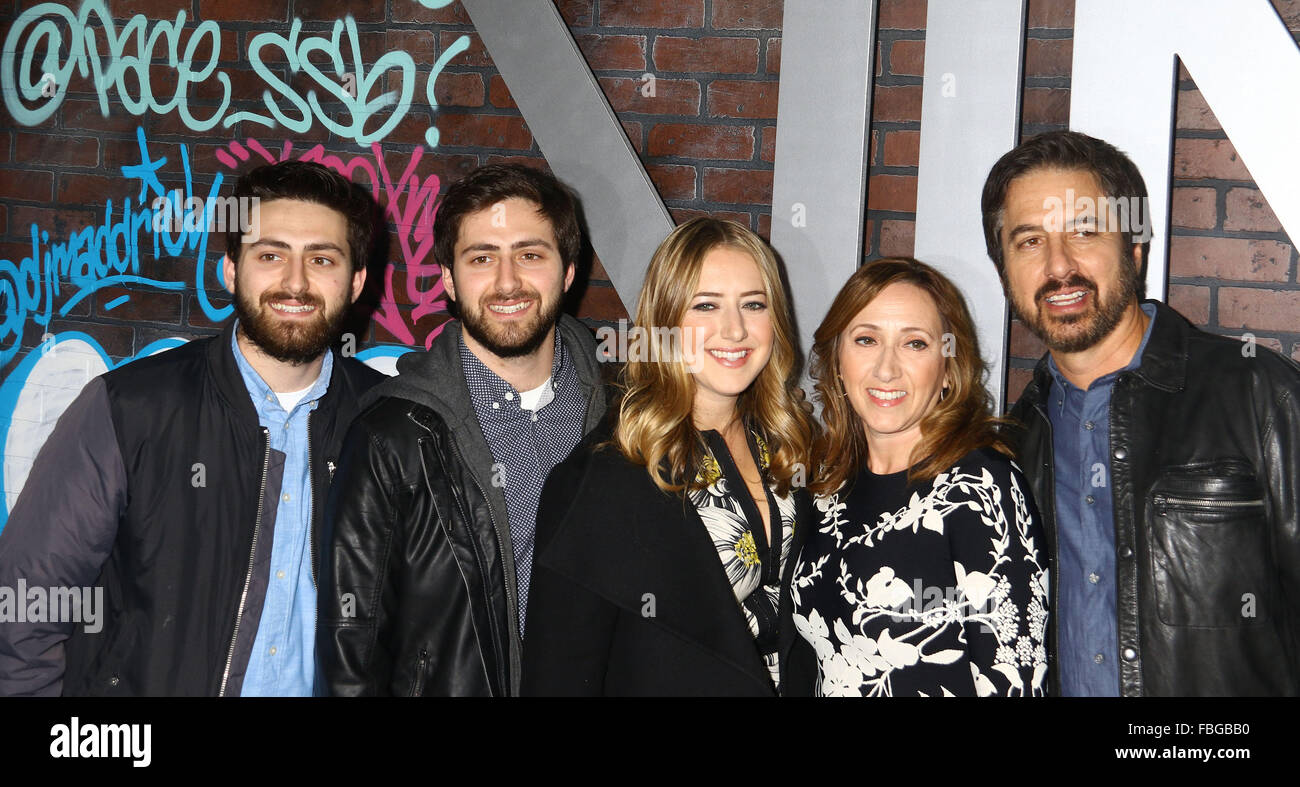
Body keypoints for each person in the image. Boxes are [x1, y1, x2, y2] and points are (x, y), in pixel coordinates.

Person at [0, 160, 384, 696]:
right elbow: (25, 606)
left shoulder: (387, 423)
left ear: (357, 281)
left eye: (322, 259)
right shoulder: (128, 409)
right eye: (270, 255)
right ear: (231, 269)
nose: (295, 282)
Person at [984, 130, 1300, 696]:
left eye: (1084, 231)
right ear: (1006, 271)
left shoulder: (1256, 394)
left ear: (1134, 248)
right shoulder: (1010, 446)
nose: (1059, 266)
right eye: (1029, 241)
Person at [317, 164, 610, 696]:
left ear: (568, 271)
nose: (507, 282)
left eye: (530, 254)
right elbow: (351, 648)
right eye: (481, 258)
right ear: (449, 280)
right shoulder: (391, 435)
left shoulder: (623, 415)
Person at [521, 217, 817, 696]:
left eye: (754, 305)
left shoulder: (788, 445)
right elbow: (558, 675)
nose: (735, 329)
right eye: (706, 305)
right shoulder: (600, 480)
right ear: (665, 322)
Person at [792, 258, 1049, 697]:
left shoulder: (980, 486)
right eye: (866, 339)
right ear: (837, 361)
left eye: (914, 344)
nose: (886, 369)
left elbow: (1016, 676)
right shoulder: (826, 483)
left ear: (948, 369)